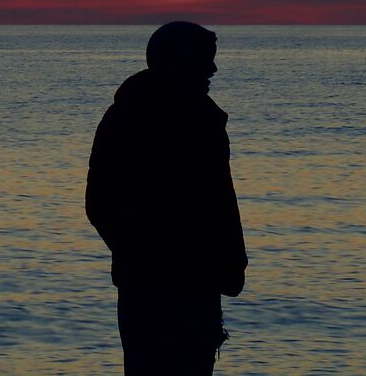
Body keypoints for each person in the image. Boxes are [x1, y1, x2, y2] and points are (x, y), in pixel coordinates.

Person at [86, 21, 247, 375]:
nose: (213, 69)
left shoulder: (195, 118)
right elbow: (100, 203)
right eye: (205, 60)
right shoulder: (175, 121)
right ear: (179, 62)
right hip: (172, 284)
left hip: (167, 281)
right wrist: (148, 252)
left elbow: (218, 203)